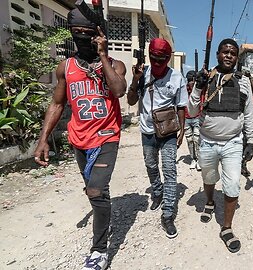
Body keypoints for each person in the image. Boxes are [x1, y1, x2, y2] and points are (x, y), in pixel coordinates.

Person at [33, 8, 127, 270]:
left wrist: (102, 56)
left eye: (89, 34)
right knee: (94, 191)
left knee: (95, 190)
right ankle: (102, 212)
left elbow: (119, 90)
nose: (83, 39)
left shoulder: (115, 64)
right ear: (72, 34)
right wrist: (43, 139)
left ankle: (99, 250)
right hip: (79, 139)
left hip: (107, 137)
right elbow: (57, 103)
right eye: (78, 34)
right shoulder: (66, 68)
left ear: (99, 35)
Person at [188, 38, 253, 253]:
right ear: (217, 54)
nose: (228, 55)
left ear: (237, 57)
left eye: (233, 53)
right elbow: (190, 111)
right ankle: (209, 202)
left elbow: (249, 113)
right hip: (207, 140)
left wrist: (251, 140)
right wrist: (198, 87)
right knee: (208, 178)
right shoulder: (205, 78)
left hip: (233, 143)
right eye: (225, 52)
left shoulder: (243, 81)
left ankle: (226, 227)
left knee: (233, 184)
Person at [127, 38, 187, 239]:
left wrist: (182, 130)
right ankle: (157, 191)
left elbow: (181, 106)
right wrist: (136, 79)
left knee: (170, 170)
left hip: (168, 131)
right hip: (147, 130)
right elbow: (131, 100)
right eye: (154, 58)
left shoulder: (177, 77)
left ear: (168, 58)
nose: (157, 62)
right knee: (151, 165)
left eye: (162, 59)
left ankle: (168, 214)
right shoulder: (142, 74)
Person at [240, 69, 253, 177]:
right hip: (237, 119)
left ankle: (243, 164)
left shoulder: (246, 82)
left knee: (247, 144)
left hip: (246, 119)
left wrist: (250, 78)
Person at [184, 70, 201, 170]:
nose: (191, 82)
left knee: (197, 140)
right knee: (189, 140)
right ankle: (193, 159)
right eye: (189, 80)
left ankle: (198, 159)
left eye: (192, 80)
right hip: (186, 119)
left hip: (197, 117)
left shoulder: (198, 89)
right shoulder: (184, 90)